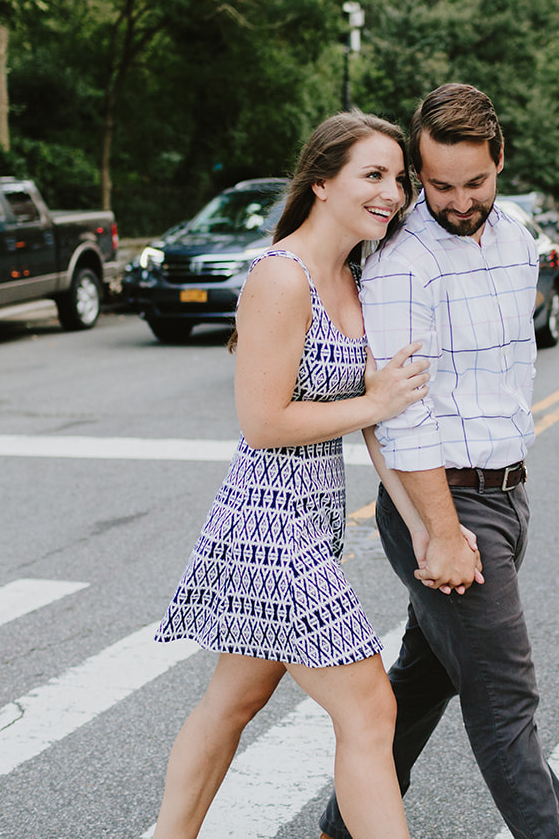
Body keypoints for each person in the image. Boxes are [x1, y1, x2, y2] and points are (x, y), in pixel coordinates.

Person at [151, 112, 446, 839]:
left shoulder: (350, 275)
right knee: (371, 709)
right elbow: (263, 421)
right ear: (321, 181)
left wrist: (424, 526)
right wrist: (372, 398)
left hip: (308, 524)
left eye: (398, 179)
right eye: (372, 175)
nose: (392, 192)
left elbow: (372, 417)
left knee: (233, 700)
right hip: (268, 527)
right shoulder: (281, 278)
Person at [318, 84, 559, 839]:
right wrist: (439, 529)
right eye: (438, 185)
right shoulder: (405, 262)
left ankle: (343, 824)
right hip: (445, 505)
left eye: (475, 182)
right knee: (506, 702)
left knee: (432, 669)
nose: (458, 200)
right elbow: (405, 415)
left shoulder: (514, 236)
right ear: (419, 174)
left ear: (499, 157)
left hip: (506, 494)